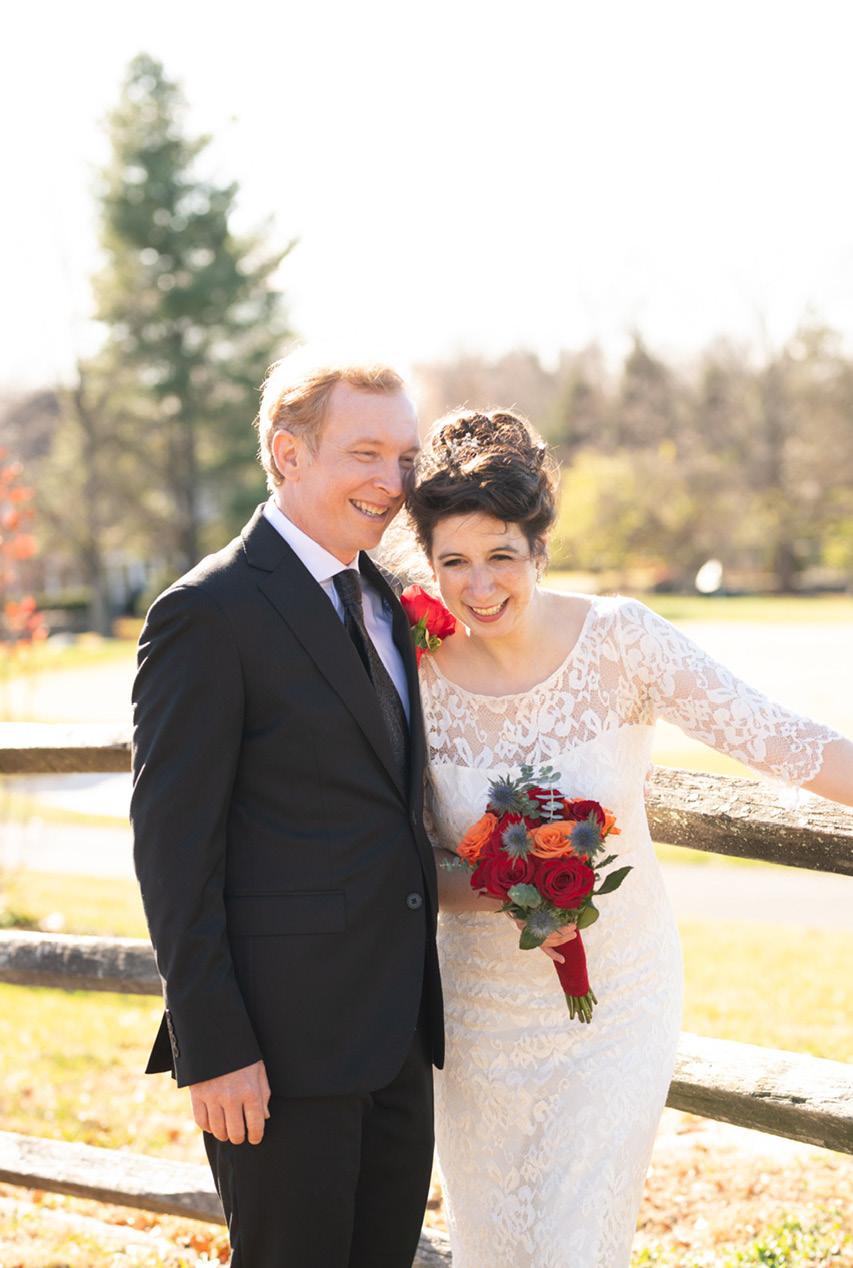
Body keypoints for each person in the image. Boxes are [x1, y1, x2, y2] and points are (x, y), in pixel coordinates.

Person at [403, 409, 853, 1268]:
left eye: (501, 556)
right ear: (428, 564)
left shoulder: (621, 640)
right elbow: (407, 861)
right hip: (476, 1012)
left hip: (619, 1001)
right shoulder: (411, 672)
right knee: (494, 1244)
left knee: (578, 1241)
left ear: (539, 549)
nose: (479, 585)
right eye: (453, 562)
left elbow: (779, 738)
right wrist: (504, 886)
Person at [131, 351, 444, 1268]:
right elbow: (173, 853)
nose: (392, 483)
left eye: (404, 458)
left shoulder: (384, 599)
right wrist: (213, 1047)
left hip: (396, 1037)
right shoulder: (207, 612)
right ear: (288, 453)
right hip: (274, 1053)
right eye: (365, 454)